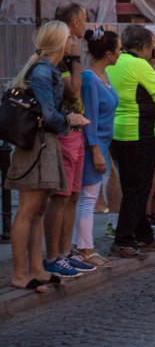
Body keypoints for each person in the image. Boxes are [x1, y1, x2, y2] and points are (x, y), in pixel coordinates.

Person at [7, 21, 90, 292]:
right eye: (69, 39)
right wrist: (71, 117)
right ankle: (21, 273)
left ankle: (36, 270)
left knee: (38, 211)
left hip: (44, 143)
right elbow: (48, 114)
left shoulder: (47, 69)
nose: (73, 43)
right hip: (36, 145)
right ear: (59, 42)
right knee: (28, 210)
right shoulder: (43, 71)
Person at [107, 24, 155, 259]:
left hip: (120, 132)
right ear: (144, 47)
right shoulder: (137, 64)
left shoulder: (117, 61)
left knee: (133, 186)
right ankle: (122, 239)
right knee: (138, 189)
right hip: (139, 132)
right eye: (151, 46)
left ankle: (144, 236)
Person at [40, 3, 95, 277]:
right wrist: (74, 59)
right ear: (75, 21)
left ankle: (64, 253)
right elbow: (72, 92)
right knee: (60, 198)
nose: (85, 26)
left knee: (73, 196)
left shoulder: (69, 46)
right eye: (83, 20)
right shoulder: (61, 51)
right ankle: (52, 256)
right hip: (63, 133)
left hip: (77, 132)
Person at [72, 27, 120, 268]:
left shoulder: (103, 77)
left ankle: (81, 246)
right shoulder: (91, 79)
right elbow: (88, 117)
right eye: (119, 50)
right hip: (94, 147)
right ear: (109, 54)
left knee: (87, 197)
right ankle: (86, 248)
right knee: (88, 198)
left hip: (101, 145)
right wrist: (96, 151)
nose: (121, 54)